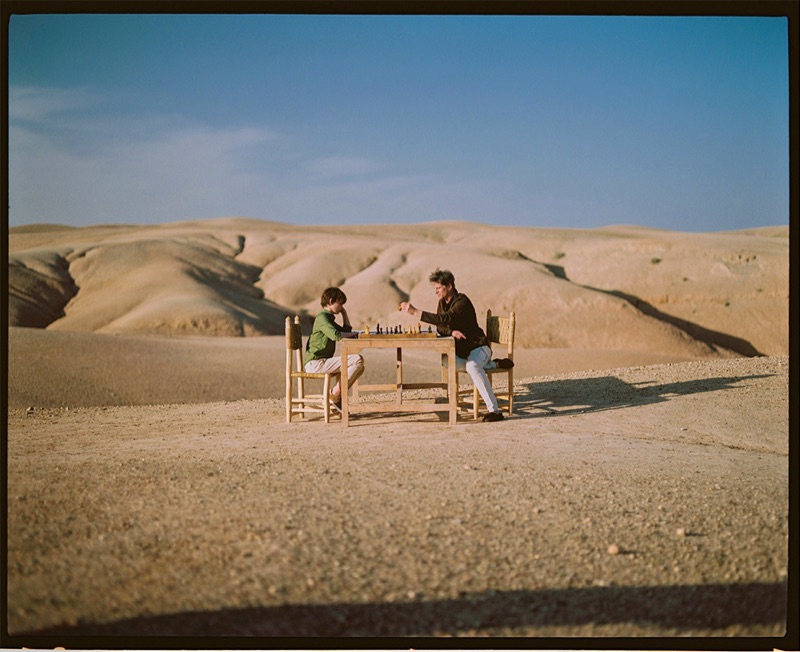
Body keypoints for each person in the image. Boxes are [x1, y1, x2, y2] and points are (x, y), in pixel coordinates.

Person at [400, 268, 513, 422]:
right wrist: (452, 332)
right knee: (447, 361)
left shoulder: (462, 301)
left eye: (439, 288)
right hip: (463, 352)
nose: (436, 292)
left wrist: (416, 312)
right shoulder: (442, 303)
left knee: (473, 366)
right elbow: (441, 327)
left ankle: (494, 411)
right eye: (435, 289)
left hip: (478, 347)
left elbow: (445, 318)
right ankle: (492, 365)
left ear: (450, 286)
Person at [304, 287, 365, 410]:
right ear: (331, 301)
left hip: (323, 361)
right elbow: (337, 335)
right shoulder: (322, 319)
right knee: (357, 359)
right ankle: (334, 395)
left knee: (360, 368)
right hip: (316, 363)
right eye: (340, 303)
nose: (341, 306)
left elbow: (346, 331)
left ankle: (335, 396)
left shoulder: (328, 318)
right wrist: (353, 334)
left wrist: (344, 313)